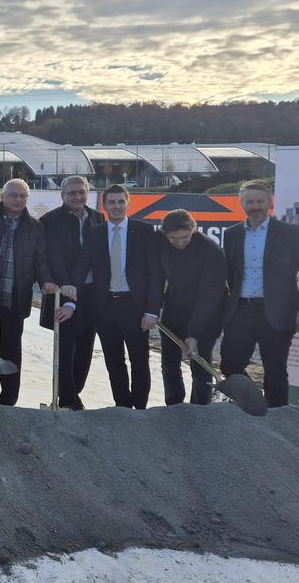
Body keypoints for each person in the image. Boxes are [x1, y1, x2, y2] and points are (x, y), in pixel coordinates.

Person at [220, 180, 299, 408]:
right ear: (241, 204)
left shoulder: (290, 233)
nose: (255, 206)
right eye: (249, 202)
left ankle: (278, 423)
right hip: (240, 310)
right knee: (229, 366)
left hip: (277, 314)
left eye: (260, 201)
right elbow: (230, 273)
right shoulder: (232, 234)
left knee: (275, 372)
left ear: (270, 202)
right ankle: (255, 404)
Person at [71, 184, 163, 409]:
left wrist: (152, 310)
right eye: (112, 202)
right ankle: (122, 406)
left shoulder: (144, 231)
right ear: (104, 205)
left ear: (128, 203)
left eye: (121, 202)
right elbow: (82, 268)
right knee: (114, 361)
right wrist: (69, 295)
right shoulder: (95, 234)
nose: (117, 207)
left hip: (135, 308)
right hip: (104, 308)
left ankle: (140, 408)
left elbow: (156, 274)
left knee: (139, 361)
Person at [0, 179, 55, 405]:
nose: (18, 200)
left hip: (16, 295)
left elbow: (41, 261)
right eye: (14, 195)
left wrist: (47, 282)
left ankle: (9, 400)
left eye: (23, 196)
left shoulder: (35, 226)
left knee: (11, 349)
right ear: (2, 197)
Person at [41, 175, 105, 410]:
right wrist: (68, 287)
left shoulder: (97, 217)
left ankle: (74, 392)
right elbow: (54, 257)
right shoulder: (50, 220)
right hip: (63, 290)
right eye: (72, 193)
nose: (77, 196)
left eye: (82, 192)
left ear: (88, 192)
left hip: (91, 292)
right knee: (65, 348)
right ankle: (67, 399)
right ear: (62, 195)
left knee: (86, 347)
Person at [158, 209, 227, 405]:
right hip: (174, 311)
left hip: (207, 315)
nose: (179, 243)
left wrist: (194, 334)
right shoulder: (162, 243)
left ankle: (199, 408)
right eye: (173, 238)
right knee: (169, 364)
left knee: (200, 365)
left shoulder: (210, 250)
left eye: (184, 237)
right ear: (165, 234)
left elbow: (210, 297)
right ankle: (174, 404)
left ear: (193, 230)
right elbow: (157, 278)